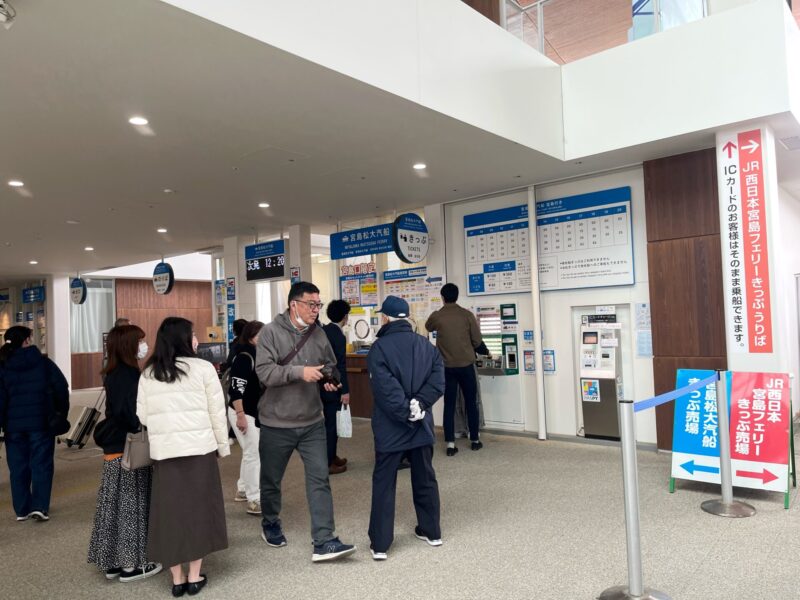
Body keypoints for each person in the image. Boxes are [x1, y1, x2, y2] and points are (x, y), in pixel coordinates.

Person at [255, 281, 356, 562]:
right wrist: (300, 372)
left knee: (319, 479)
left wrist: (327, 379)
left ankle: (324, 540)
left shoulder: (319, 334)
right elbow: (264, 373)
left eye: (318, 305)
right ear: (293, 305)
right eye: (311, 304)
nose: (316, 310)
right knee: (272, 480)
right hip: (277, 422)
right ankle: (271, 521)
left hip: (312, 421)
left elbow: (329, 364)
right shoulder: (270, 333)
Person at [137, 317, 230, 597]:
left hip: (165, 454)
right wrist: (223, 447)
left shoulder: (149, 373)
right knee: (200, 510)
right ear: (183, 339)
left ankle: (176, 580)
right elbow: (217, 411)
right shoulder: (203, 369)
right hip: (199, 451)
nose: (197, 340)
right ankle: (194, 576)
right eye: (193, 335)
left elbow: (142, 415)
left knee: (170, 514)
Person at [367, 296, 445, 560]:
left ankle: (380, 544)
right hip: (421, 425)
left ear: (386, 318)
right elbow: (438, 380)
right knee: (425, 477)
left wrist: (404, 410)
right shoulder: (427, 346)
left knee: (384, 482)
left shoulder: (379, 348)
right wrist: (419, 406)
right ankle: (432, 531)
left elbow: (385, 388)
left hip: (391, 427)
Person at [88, 325, 162, 582]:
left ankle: (112, 562)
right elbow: (129, 414)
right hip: (129, 448)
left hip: (113, 450)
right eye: (141, 341)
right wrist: (141, 424)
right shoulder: (131, 375)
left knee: (114, 505)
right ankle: (132, 565)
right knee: (132, 505)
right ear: (129, 345)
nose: (145, 345)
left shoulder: (113, 373)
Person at [0, 326, 69, 522]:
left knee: (18, 467)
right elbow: (61, 388)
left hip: (13, 428)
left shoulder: (3, 365)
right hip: (41, 423)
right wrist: (60, 413)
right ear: (28, 340)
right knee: (41, 464)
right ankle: (39, 506)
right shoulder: (43, 363)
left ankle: (21, 510)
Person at [425, 283, 485, 456]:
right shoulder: (467, 315)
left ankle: (451, 444)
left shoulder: (437, 316)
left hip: (447, 368)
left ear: (443, 297)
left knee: (449, 404)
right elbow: (477, 342)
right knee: (471, 402)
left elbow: (428, 327)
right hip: (466, 366)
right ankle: (475, 440)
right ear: (457, 296)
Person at [227, 320, 265, 515]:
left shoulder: (259, 353)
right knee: (254, 453)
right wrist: (240, 416)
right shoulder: (244, 356)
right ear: (251, 336)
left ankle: (243, 489)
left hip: (250, 411)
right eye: (261, 334)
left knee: (250, 451)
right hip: (241, 411)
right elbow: (236, 390)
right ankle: (253, 498)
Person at [321, 300, 351, 475]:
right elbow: (341, 365)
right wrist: (345, 390)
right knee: (332, 425)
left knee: (331, 423)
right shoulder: (338, 336)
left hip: (323, 383)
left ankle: (332, 456)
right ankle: (328, 462)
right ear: (344, 317)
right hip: (334, 385)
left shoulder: (323, 331)